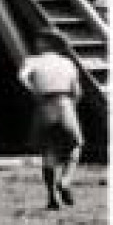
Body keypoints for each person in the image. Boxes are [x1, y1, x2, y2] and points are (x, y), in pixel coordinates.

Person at [19, 28, 86, 210]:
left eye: (39, 40)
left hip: (44, 105)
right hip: (65, 103)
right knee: (76, 144)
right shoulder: (67, 63)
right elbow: (78, 91)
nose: (36, 42)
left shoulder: (32, 60)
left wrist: (34, 90)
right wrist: (71, 106)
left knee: (48, 151)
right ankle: (65, 181)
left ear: (45, 43)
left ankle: (52, 197)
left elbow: (22, 77)